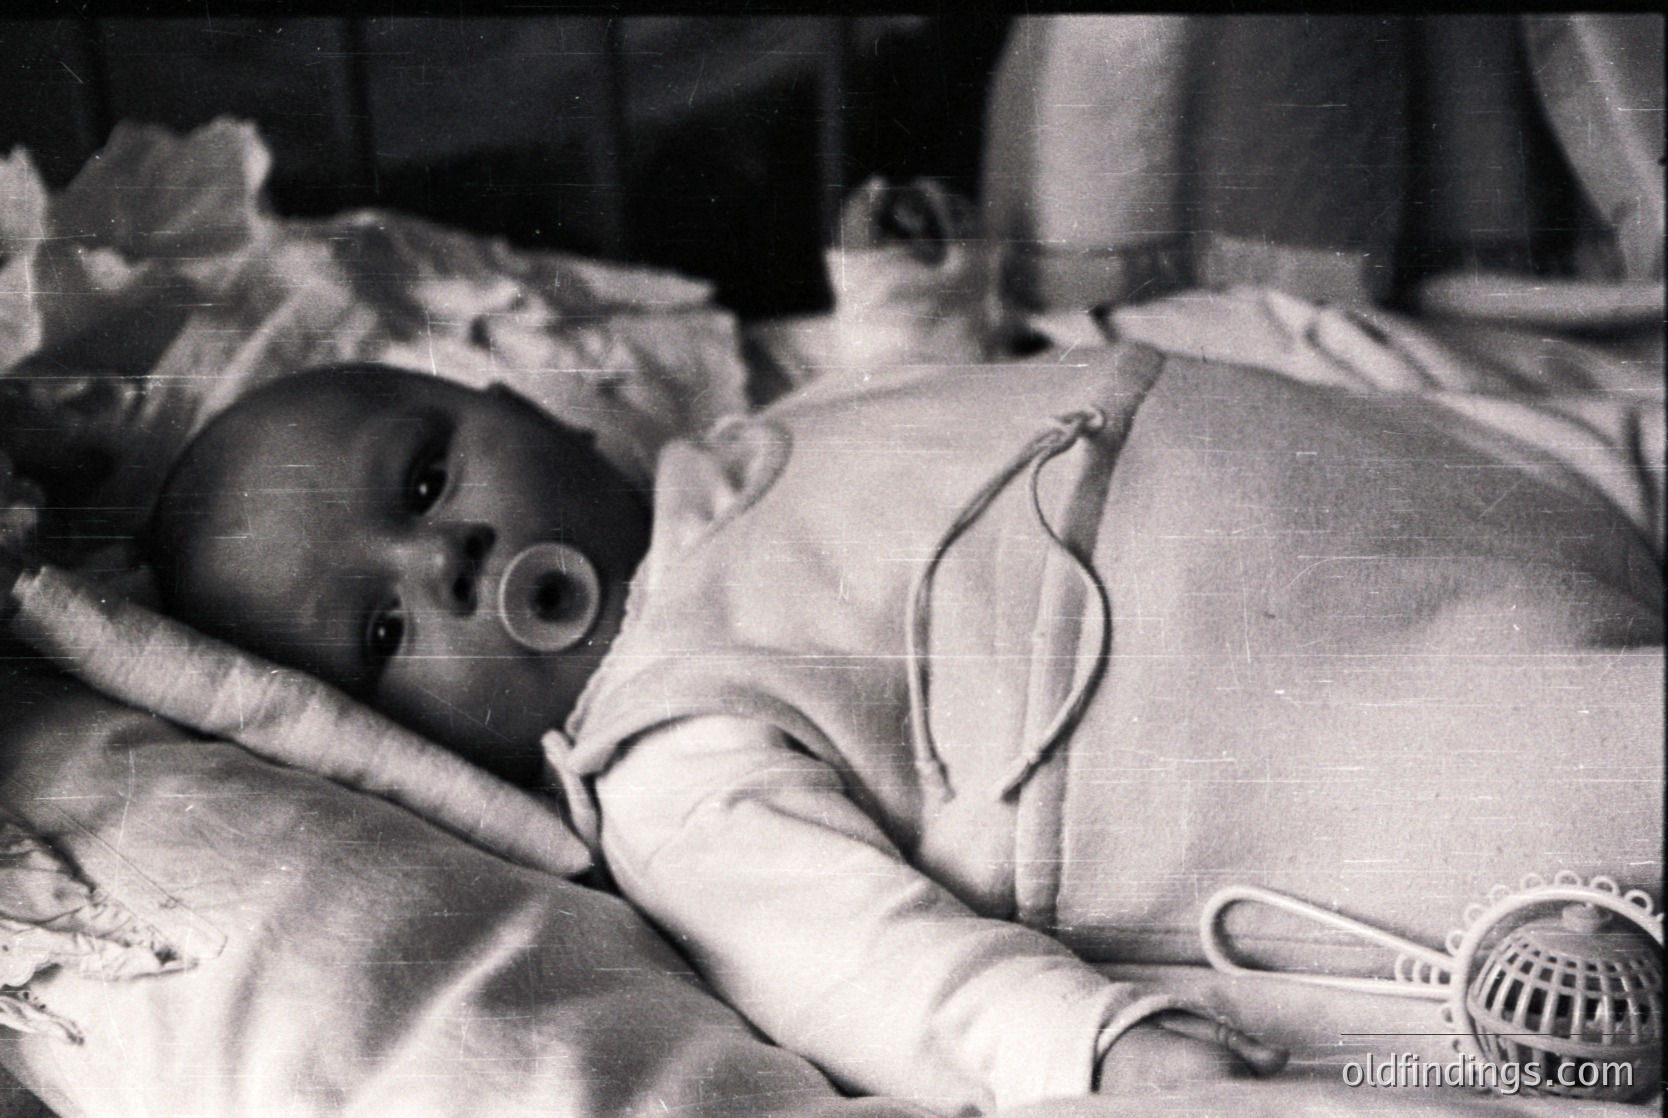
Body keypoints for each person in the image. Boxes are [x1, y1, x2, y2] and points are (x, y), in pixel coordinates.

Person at [146, 347, 1660, 1113]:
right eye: (389, 636)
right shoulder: (667, 754)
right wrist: (1114, 1058)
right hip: (1334, 721)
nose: (447, 563)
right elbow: (870, 961)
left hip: (1435, 502)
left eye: (421, 484)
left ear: (516, 397)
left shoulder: (781, 424)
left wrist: (915, 299)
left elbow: (961, 399)